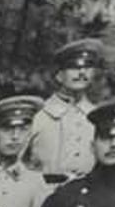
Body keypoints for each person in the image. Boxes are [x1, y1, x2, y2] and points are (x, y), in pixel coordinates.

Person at [25, 38, 105, 186]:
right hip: (45, 197)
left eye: (87, 67)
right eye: (73, 67)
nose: (82, 73)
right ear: (59, 75)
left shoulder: (99, 117)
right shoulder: (38, 115)